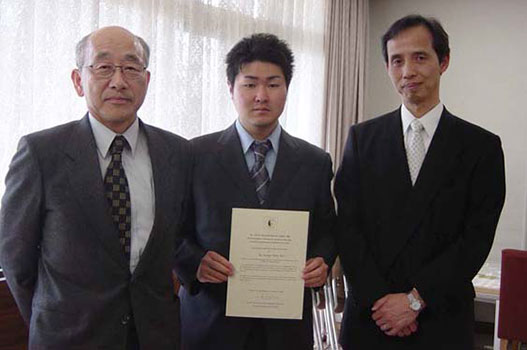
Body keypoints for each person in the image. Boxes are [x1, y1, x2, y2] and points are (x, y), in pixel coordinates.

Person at [0, 26, 190, 349]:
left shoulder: (178, 153)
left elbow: (181, 238)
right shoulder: (41, 153)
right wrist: (54, 319)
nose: (119, 81)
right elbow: (15, 258)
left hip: (154, 338)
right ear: (78, 81)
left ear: (146, 80)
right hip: (67, 338)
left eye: (131, 68)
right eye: (103, 67)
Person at [335, 14, 506, 349]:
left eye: (420, 57)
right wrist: (382, 303)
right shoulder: (361, 139)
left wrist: (414, 301)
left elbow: (476, 237)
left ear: (443, 61)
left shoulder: (480, 147)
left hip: (440, 318)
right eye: (397, 60)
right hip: (372, 319)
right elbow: (347, 227)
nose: (408, 71)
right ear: (387, 68)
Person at [174, 33, 336, 350]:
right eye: (250, 84)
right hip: (211, 324)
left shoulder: (314, 161)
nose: (261, 95)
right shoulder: (194, 154)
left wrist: (322, 259)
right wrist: (195, 263)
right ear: (231, 89)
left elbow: (327, 229)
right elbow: (171, 230)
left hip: (284, 329)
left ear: (286, 90)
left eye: (273, 84)